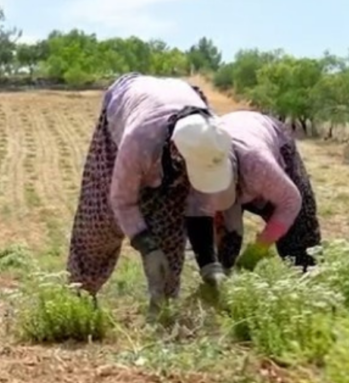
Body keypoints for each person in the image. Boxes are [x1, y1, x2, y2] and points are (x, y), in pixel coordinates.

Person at [66, 72, 236, 314]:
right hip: (129, 103)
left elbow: (200, 206)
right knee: (100, 219)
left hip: (177, 106)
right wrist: (147, 248)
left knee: (170, 223)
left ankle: (163, 305)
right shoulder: (138, 139)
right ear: (177, 151)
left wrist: (209, 263)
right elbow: (122, 200)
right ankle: (79, 296)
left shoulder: (214, 142)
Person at [202, 109, 321, 273]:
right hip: (234, 133)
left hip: (270, 137)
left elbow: (291, 202)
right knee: (224, 245)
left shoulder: (258, 165)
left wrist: (259, 249)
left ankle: (307, 279)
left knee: (299, 233)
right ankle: (220, 282)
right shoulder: (192, 168)